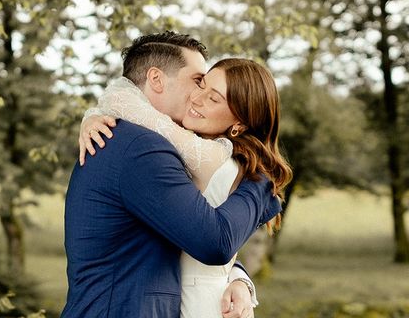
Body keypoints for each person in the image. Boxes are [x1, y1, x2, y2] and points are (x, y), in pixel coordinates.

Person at [62, 32, 282, 318]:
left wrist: (237, 277)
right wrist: (262, 181)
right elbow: (214, 242)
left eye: (208, 91)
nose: (198, 96)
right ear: (156, 80)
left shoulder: (158, 142)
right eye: (197, 82)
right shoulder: (142, 148)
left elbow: (188, 230)